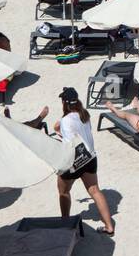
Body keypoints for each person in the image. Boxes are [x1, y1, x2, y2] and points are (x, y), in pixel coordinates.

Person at [40, 88, 114, 235]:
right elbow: (80, 134)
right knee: (94, 190)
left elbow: (68, 143)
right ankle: (109, 226)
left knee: (64, 192)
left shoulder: (65, 120)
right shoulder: (84, 114)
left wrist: (58, 130)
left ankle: (65, 223)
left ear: (64, 103)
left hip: (74, 161)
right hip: (90, 157)